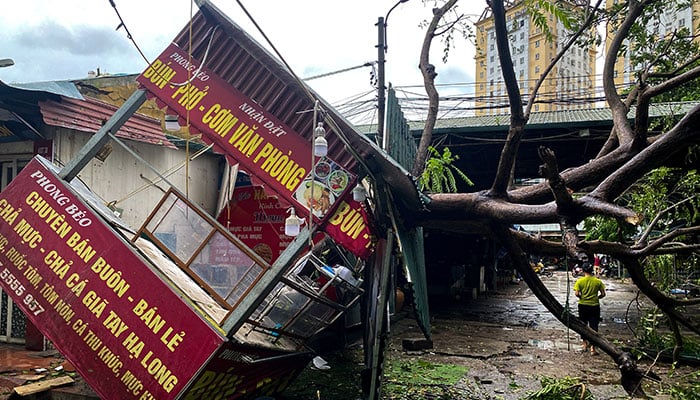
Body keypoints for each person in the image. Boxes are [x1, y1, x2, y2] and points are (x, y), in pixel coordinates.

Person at [574, 262, 606, 355]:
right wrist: (597, 298)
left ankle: (584, 344)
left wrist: (581, 297)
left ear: (583, 271)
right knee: (594, 326)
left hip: (583, 305)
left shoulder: (580, 281)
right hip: (594, 306)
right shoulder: (598, 281)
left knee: (583, 325)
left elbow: (576, 293)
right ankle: (593, 348)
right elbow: (603, 294)